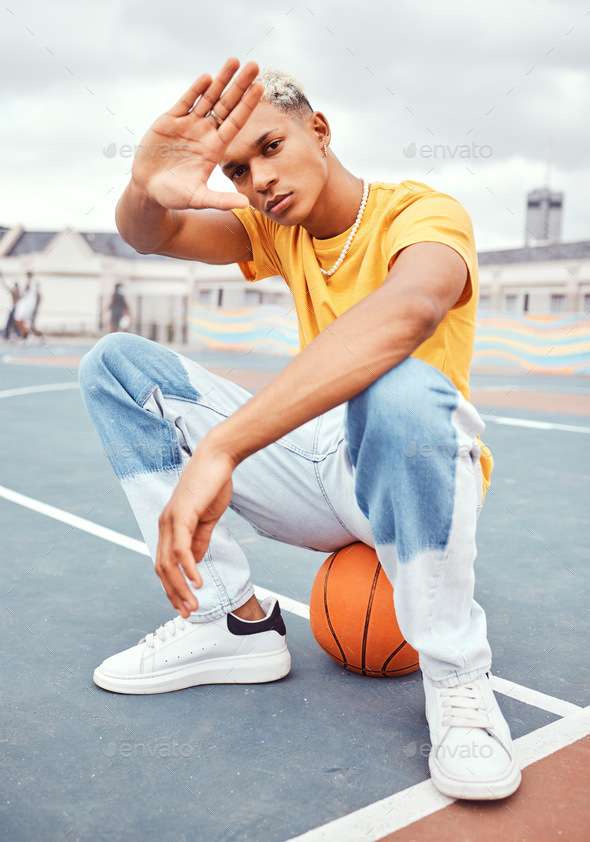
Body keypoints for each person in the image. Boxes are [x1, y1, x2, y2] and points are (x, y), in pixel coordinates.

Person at [79, 58, 521, 801]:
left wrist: (222, 445)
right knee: (116, 365)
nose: (259, 182)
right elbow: (147, 235)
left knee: (403, 384)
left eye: (271, 149)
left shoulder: (423, 213)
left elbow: (409, 313)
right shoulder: (274, 229)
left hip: (415, 471)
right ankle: (230, 622)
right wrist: (140, 185)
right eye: (240, 171)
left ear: (318, 129)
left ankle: (459, 680)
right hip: (322, 461)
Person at [13, 273, 45, 344]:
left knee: (30, 326)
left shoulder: (33, 286)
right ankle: (26, 336)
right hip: (24, 307)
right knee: (18, 319)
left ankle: (36, 336)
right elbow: (22, 295)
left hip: (30, 308)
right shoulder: (26, 285)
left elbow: (35, 299)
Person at [1, 273, 21, 340]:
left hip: (16, 309)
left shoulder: (17, 292)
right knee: (11, 322)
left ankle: (14, 334)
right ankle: (7, 335)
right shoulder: (16, 292)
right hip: (16, 308)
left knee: (15, 322)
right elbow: (6, 286)